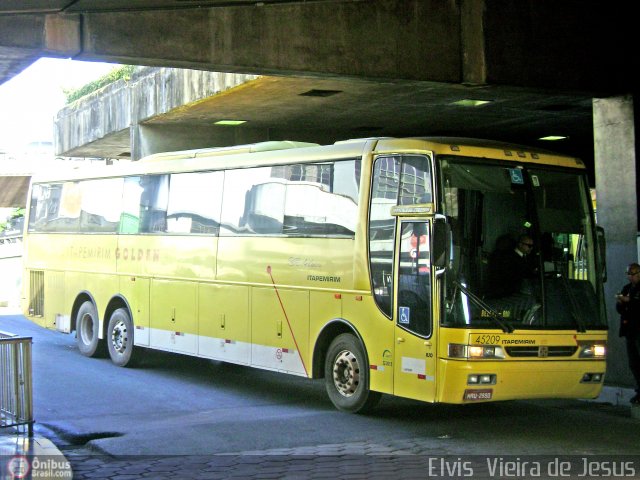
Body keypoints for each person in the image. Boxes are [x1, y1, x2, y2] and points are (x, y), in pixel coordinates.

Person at [616, 262, 640, 405]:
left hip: (638, 329)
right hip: (629, 329)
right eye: (628, 274)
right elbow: (620, 309)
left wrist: (628, 301)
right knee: (633, 362)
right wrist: (621, 302)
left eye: (633, 274)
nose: (630, 277)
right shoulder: (626, 288)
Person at [486, 233, 537, 298]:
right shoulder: (510, 258)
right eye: (529, 246)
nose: (531, 248)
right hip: (509, 295)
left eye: (532, 246)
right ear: (520, 244)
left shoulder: (525, 257)